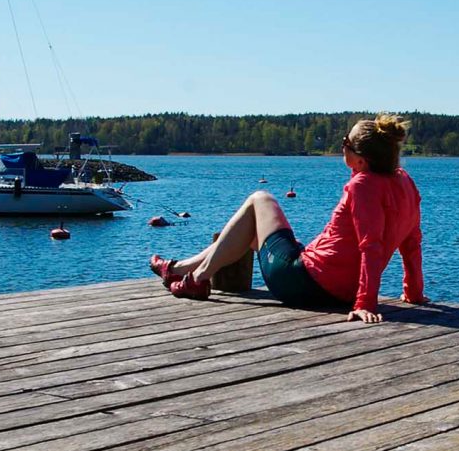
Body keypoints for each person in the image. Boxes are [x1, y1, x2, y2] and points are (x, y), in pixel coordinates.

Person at [149, 114, 426, 323]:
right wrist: (413, 292)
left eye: (345, 143)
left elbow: (371, 246)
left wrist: (365, 302)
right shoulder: (405, 183)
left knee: (260, 199)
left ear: (360, 159)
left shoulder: (362, 185)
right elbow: (411, 241)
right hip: (338, 288)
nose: (342, 147)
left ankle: (195, 278)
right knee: (252, 233)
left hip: (305, 283)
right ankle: (180, 270)